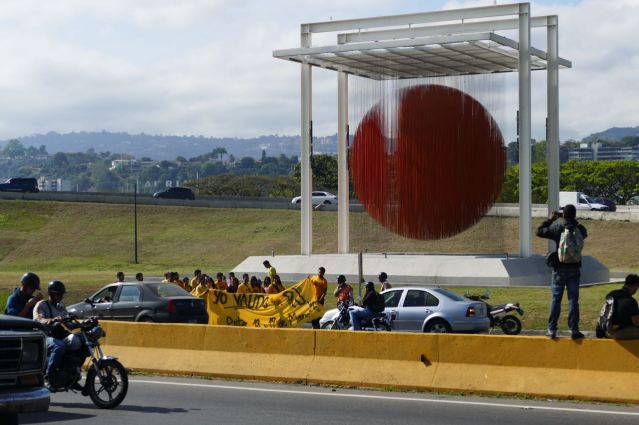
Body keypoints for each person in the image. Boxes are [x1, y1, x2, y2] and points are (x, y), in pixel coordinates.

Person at [536, 204, 588, 339]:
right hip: (575, 268)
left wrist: (552, 219)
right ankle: (574, 330)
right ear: (575, 215)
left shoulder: (558, 227)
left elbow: (539, 231)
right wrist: (570, 219)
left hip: (559, 268)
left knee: (556, 299)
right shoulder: (580, 229)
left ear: (563, 214)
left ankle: (552, 329)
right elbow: (583, 234)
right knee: (573, 300)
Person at [33, 280, 70, 379]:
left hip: (56, 335)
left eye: (62, 294)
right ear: (51, 294)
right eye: (58, 294)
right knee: (59, 346)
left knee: (78, 341)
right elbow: (38, 319)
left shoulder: (61, 306)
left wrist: (85, 324)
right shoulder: (42, 304)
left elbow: (69, 322)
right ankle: (49, 376)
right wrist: (51, 320)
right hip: (43, 336)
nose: (61, 296)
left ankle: (72, 375)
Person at [606, 274, 639, 340]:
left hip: (607, 330)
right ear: (635, 286)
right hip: (619, 333)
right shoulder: (631, 301)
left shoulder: (611, 294)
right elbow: (636, 322)